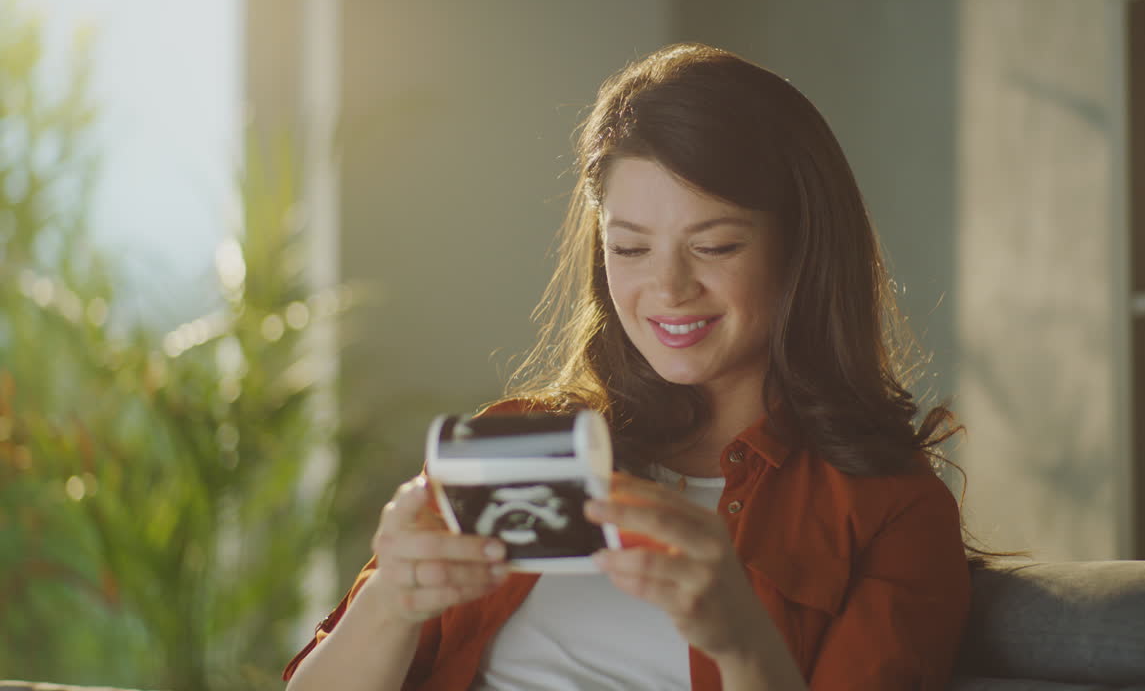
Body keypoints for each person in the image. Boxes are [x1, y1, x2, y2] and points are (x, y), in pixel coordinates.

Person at [282, 42, 972, 691]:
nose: (667, 290)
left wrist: (743, 643)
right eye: (631, 249)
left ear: (801, 249)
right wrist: (388, 603)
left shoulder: (891, 512)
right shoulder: (518, 443)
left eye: (717, 246)